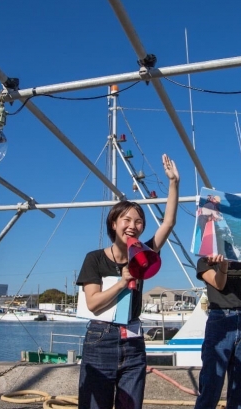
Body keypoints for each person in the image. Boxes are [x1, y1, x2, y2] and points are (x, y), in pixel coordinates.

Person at [76, 154, 179, 409]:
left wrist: (174, 183)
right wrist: (122, 282)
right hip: (101, 338)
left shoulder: (144, 254)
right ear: (114, 223)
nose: (133, 226)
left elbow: (168, 222)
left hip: (134, 340)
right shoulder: (95, 259)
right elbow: (93, 304)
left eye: (139, 221)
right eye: (127, 220)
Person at [194, 221, 241, 409]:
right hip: (220, 318)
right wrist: (223, 265)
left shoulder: (240, 256)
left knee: (240, 383)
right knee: (211, 381)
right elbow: (219, 284)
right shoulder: (204, 261)